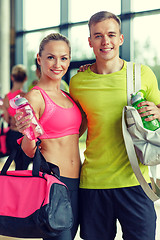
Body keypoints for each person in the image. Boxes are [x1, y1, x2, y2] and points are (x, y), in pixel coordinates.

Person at [69, 11, 160, 240]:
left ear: (121, 38)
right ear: (89, 41)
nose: (105, 41)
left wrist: (157, 111)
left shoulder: (142, 75)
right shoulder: (78, 82)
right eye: (98, 36)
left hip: (136, 181)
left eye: (111, 34)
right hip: (93, 184)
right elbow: (75, 128)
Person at [15, 33, 82, 240]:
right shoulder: (35, 97)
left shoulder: (68, 95)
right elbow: (28, 150)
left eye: (63, 58)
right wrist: (28, 133)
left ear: (69, 60)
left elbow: (74, 133)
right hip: (53, 185)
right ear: (39, 58)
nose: (57, 64)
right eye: (50, 57)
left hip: (78, 184)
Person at [2, 64, 28, 166]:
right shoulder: (25, 96)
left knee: (17, 165)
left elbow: (7, 120)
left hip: (12, 136)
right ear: (25, 78)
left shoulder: (6, 98)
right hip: (24, 136)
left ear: (12, 77)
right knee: (25, 167)